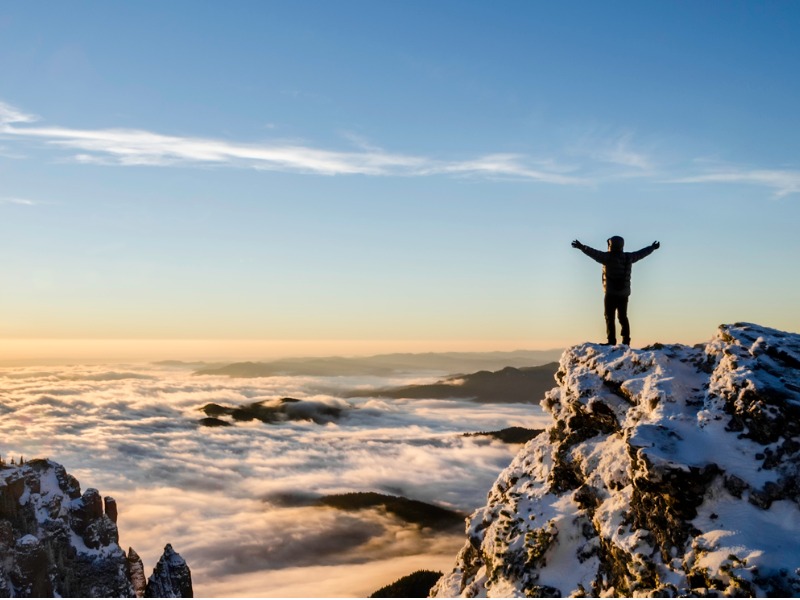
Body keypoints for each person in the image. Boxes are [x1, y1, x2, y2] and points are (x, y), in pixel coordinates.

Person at [571, 236, 660, 346]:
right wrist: (652, 247)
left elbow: (594, 253)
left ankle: (611, 341)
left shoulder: (606, 257)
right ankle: (626, 341)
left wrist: (581, 247)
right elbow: (641, 253)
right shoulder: (629, 257)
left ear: (610, 245)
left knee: (609, 317)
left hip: (610, 293)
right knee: (623, 317)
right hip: (624, 294)